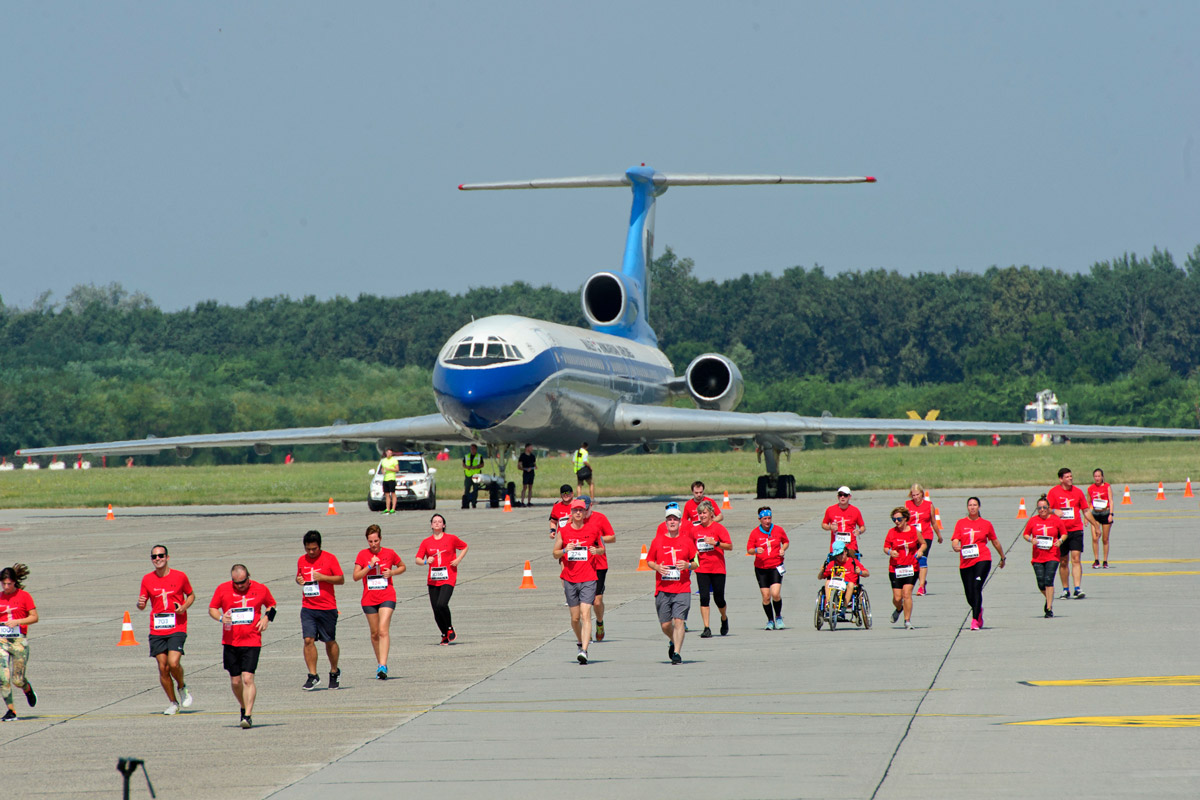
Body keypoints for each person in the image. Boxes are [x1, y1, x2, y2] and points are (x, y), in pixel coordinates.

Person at [209, 564, 277, 729]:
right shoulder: (222, 589)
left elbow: (272, 605)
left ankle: (248, 715)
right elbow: (212, 608)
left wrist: (266, 618)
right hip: (231, 641)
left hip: (252, 640)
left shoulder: (261, 589)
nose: (240, 586)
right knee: (236, 681)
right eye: (236, 583)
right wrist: (220, 618)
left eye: (242, 582)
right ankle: (243, 705)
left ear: (249, 577)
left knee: (248, 678)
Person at [137, 545, 196, 715]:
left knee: (173, 663)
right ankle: (173, 702)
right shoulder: (147, 579)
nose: (157, 559)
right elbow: (142, 604)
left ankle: (182, 686)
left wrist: (183, 607)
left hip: (177, 626)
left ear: (167, 557)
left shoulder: (180, 576)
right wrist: (140, 605)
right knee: (163, 668)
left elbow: (191, 595)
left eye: (161, 555)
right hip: (157, 628)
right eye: (154, 556)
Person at [554, 498, 605, 663]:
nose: (578, 513)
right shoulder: (564, 531)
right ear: (571, 512)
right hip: (570, 578)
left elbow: (602, 548)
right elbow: (555, 553)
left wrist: (597, 551)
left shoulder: (593, 529)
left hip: (589, 578)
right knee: (575, 618)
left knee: (585, 614)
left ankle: (584, 650)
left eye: (580, 510)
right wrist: (564, 550)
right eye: (575, 510)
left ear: (585, 513)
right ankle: (579, 640)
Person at [353, 524, 406, 679]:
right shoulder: (362, 555)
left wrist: (392, 572)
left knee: (383, 630)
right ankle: (380, 665)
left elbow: (402, 566)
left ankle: (383, 665)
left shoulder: (389, 553)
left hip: (387, 596)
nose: (373, 544)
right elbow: (356, 577)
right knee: (375, 633)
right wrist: (369, 565)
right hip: (369, 598)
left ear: (380, 539)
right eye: (370, 541)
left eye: (376, 540)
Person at [647, 505, 698, 665]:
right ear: (666, 522)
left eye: (675, 519)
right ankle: (672, 640)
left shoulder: (687, 541)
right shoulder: (658, 540)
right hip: (663, 588)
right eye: (669, 519)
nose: (672, 522)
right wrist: (657, 567)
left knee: (679, 621)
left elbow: (696, 562)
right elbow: (649, 560)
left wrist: (688, 566)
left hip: (682, 588)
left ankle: (676, 653)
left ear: (680, 522)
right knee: (665, 625)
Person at [296, 530, 344, 690]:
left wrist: (324, 578)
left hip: (327, 607)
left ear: (320, 547)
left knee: (329, 641)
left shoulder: (330, 558)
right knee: (308, 640)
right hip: (308, 607)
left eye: (314, 549)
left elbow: (340, 579)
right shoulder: (301, 560)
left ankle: (334, 671)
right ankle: (313, 675)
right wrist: (298, 580)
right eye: (308, 549)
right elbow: (300, 577)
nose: (311, 552)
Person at [950, 497, 1005, 630]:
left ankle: (974, 620)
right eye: (970, 505)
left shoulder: (986, 524)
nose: (972, 507)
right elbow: (955, 539)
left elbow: (995, 541)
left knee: (976, 587)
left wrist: (1002, 557)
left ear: (979, 507)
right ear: (967, 507)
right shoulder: (961, 523)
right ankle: (978, 610)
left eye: (975, 505)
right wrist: (955, 546)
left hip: (982, 558)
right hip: (966, 562)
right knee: (970, 594)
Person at [416, 514, 468, 644]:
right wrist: (426, 562)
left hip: (448, 576)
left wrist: (458, 559)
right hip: (433, 579)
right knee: (435, 609)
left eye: (440, 522)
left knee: (441, 604)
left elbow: (465, 546)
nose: (437, 523)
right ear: (431, 525)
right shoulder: (426, 542)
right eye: (435, 522)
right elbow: (417, 559)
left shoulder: (451, 539)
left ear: (444, 525)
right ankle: (444, 634)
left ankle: (449, 628)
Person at [1048, 467, 1093, 599]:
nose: (1070, 478)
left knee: (1076, 559)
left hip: (1076, 530)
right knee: (1063, 561)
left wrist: (1095, 525)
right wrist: (1054, 511)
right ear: (1061, 479)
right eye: (1067, 477)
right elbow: (1045, 508)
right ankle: (1065, 589)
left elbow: (1085, 510)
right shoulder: (1054, 492)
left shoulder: (1078, 492)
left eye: (1071, 476)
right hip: (1061, 532)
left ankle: (1077, 588)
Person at [0, 564, 37, 722]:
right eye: (3, 584)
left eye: (9, 584)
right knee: (3, 677)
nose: (6, 587)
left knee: (17, 680)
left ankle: (27, 689)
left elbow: (34, 617)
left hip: (18, 641)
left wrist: (18, 621)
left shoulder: (24, 596)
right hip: (1, 641)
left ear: (15, 582)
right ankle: (11, 711)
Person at [1023, 496, 1069, 618]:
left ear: (1049, 508)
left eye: (1044, 507)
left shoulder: (1055, 520)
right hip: (1038, 556)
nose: (1042, 510)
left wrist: (1060, 541)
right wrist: (1030, 539)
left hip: (1052, 555)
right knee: (1041, 583)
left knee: (1049, 580)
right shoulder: (1033, 520)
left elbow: (1064, 533)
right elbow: (1025, 534)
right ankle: (1049, 599)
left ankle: (1048, 608)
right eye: (1039, 508)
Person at [691, 500, 732, 637]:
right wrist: (692, 554)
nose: (702, 515)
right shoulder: (695, 530)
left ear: (711, 514)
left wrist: (716, 543)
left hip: (718, 568)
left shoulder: (719, 528)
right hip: (702, 568)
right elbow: (690, 547)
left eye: (704, 513)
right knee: (704, 598)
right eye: (700, 513)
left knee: (719, 599)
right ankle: (706, 628)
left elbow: (729, 546)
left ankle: (724, 618)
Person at [883, 507, 926, 630]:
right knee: (897, 598)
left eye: (899, 519)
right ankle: (899, 608)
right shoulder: (892, 532)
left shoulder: (914, 531)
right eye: (894, 519)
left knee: (907, 594)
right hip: (895, 568)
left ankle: (907, 621)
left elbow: (923, 543)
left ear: (905, 518)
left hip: (911, 567)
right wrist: (890, 552)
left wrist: (920, 551)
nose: (896, 522)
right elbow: (885, 547)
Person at [580, 496, 617, 642]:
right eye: (580, 509)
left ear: (590, 507)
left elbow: (612, 537)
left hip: (599, 564)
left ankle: (599, 621)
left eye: (586, 509)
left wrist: (596, 538)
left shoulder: (600, 518)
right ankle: (586, 628)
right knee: (584, 601)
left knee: (596, 601)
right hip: (581, 565)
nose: (583, 512)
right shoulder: (575, 521)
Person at [747, 507, 790, 629]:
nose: (767, 521)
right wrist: (755, 550)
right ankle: (770, 620)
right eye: (764, 519)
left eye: (769, 518)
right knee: (766, 597)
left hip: (776, 566)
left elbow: (786, 541)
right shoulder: (755, 533)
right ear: (759, 519)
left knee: (775, 594)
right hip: (761, 568)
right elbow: (749, 549)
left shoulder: (778, 530)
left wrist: (783, 549)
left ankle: (778, 617)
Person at [817, 541, 869, 621]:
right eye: (837, 555)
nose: (839, 557)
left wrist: (860, 572)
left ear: (845, 552)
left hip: (849, 586)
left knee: (851, 585)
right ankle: (828, 606)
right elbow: (820, 577)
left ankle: (843, 611)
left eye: (841, 554)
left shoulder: (853, 562)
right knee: (827, 582)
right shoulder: (833, 564)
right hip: (835, 585)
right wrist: (822, 571)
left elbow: (867, 573)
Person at [906, 483, 943, 596]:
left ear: (922, 493)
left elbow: (933, 522)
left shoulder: (928, 505)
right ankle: (922, 580)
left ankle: (921, 586)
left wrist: (939, 535)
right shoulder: (908, 504)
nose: (915, 497)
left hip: (926, 535)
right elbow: (905, 521)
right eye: (913, 495)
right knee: (913, 561)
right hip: (913, 536)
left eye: (917, 494)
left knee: (922, 557)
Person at [821, 486, 866, 555]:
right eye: (840, 495)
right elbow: (824, 524)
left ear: (849, 497)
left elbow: (862, 527)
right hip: (836, 546)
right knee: (830, 565)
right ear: (838, 497)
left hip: (851, 546)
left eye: (845, 495)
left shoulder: (855, 511)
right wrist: (830, 527)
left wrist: (859, 531)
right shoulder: (830, 510)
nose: (842, 497)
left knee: (852, 563)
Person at [1087, 468, 1114, 569]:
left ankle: (1105, 560)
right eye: (1095, 476)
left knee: (1105, 539)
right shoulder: (1090, 488)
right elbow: (1088, 503)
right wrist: (1087, 517)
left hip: (1105, 513)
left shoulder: (1107, 487)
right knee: (1095, 537)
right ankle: (1096, 560)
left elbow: (1111, 501)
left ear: (1102, 477)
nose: (1097, 478)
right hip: (1095, 514)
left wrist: (1111, 514)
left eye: (1099, 476)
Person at [461, 444, 484, 509]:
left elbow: (482, 464)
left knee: (475, 489)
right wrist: (466, 467)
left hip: (476, 475)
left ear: (476, 449)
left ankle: (474, 503)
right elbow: (463, 463)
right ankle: (466, 503)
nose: (472, 450)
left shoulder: (479, 456)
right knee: (467, 489)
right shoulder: (467, 456)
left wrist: (476, 467)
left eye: (473, 449)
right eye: (471, 449)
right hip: (468, 475)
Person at [378, 448, 400, 514]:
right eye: (388, 453)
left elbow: (397, 469)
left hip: (392, 478)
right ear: (386, 453)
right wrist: (383, 471)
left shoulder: (394, 460)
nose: (389, 454)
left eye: (391, 453)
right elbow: (382, 468)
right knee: (387, 494)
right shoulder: (383, 460)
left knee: (393, 493)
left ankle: (393, 508)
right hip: (385, 479)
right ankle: (387, 508)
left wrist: (390, 469)